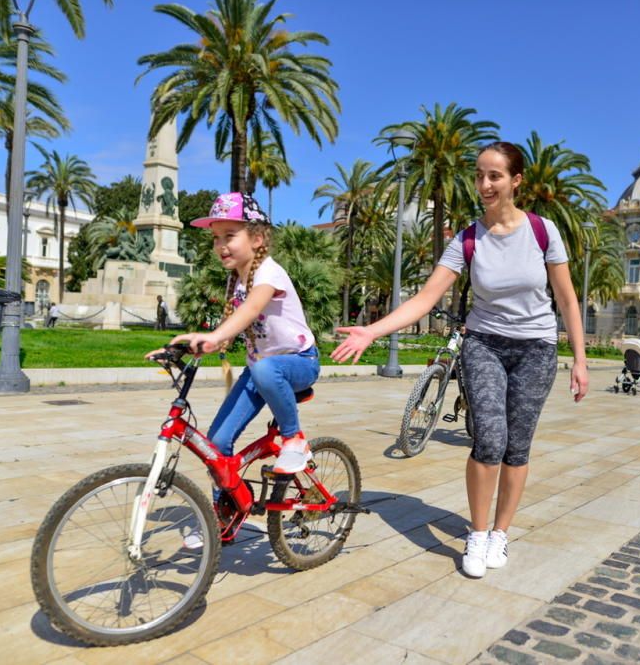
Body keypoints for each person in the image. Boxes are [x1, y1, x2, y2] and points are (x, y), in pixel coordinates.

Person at [332, 142, 588, 579]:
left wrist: (579, 360)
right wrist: (373, 330)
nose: (485, 185)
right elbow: (426, 297)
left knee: (517, 445)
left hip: (536, 349)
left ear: (515, 181)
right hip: (484, 343)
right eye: (479, 175)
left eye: (495, 176)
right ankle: (477, 530)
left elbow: (566, 298)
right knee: (488, 438)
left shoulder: (543, 231)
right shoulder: (468, 238)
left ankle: (500, 533)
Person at [147, 193, 319, 547]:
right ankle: (223, 514)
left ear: (257, 239)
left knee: (267, 368)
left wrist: (215, 336)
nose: (220, 245)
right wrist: (185, 344)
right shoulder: (237, 280)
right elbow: (234, 324)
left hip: (299, 363)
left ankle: (294, 439)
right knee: (218, 442)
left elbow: (249, 312)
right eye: (215, 238)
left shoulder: (269, 273)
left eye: (229, 236)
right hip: (260, 371)